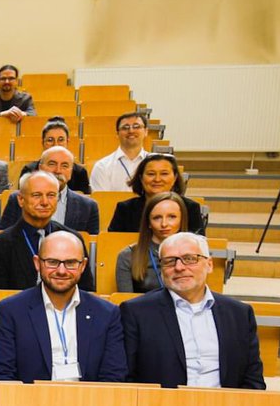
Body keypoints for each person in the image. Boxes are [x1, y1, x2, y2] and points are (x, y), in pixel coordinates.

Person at [121, 232, 264, 389]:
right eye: (169, 262)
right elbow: (127, 378)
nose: (179, 267)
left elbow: (252, 380)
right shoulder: (137, 312)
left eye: (189, 259)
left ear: (209, 264)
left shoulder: (239, 314)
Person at [0, 231, 126, 383]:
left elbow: (113, 376)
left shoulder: (106, 314)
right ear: (37, 263)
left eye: (70, 263)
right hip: (29, 404)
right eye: (52, 262)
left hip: (90, 403)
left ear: (82, 265)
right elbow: (4, 375)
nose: (61, 271)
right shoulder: (11, 311)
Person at [0, 171, 95, 291]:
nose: (44, 202)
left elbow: (86, 291)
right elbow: (0, 297)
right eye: (37, 195)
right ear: (21, 200)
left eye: (51, 195)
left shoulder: (73, 240)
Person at [0, 147, 100, 233]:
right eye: (52, 164)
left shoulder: (88, 206)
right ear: (40, 167)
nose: (58, 170)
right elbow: (3, 237)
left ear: (71, 171)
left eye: (64, 166)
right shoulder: (17, 199)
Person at [107, 152, 204, 234]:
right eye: (151, 174)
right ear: (141, 178)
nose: (157, 179)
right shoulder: (125, 209)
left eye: (164, 174)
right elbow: (114, 244)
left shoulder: (190, 208)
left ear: (175, 178)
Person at [116, 192, 187, 293]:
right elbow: (126, 302)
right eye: (157, 218)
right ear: (148, 222)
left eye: (171, 217)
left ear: (181, 220)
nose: (164, 224)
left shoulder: (195, 255)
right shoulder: (128, 255)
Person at [18, 118, 92, 194]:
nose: (55, 144)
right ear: (43, 143)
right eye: (50, 140)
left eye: (61, 140)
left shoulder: (80, 173)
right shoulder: (29, 170)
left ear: (67, 142)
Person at [89, 112, 150, 192]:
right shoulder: (102, 166)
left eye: (136, 126)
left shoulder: (156, 164)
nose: (131, 131)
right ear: (117, 134)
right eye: (125, 127)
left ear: (146, 131)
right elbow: (102, 201)